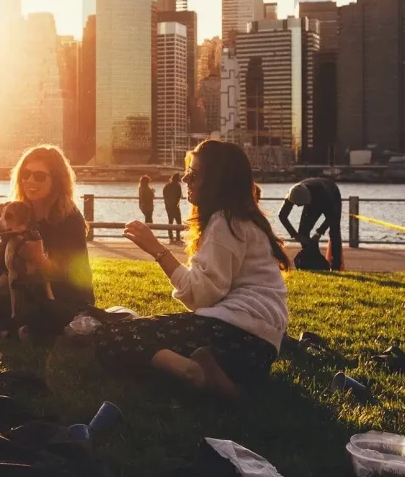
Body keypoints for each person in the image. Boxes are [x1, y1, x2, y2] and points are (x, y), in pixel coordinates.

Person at [94, 139, 289, 400]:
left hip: (233, 333)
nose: (185, 179)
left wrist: (156, 250)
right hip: (259, 348)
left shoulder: (224, 222)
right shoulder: (243, 220)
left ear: (217, 181)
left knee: (111, 337)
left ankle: (192, 372)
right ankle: (224, 381)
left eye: (194, 174)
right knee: (145, 335)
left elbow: (200, 295)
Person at [0, 145, 94, 339]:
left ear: (56, 180)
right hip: (17, 297)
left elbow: (73, 279)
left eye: (39, 176)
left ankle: (1, 326)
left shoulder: (69, 219)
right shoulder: (16, 212)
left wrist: (40, 260)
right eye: (26, 173)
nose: (30, 180)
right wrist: (3, 244)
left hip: (59, 300)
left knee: (48, 312)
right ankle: (14, 328)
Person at [279, 177, 343, 270]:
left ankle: (336, 266)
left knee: (334, 230)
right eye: (296, 204)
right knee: (303, 231)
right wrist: (295, 234)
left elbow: (332, 216)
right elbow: (282, 216)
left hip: (331, 193)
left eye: (300, 204)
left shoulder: (323, 195)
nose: (298, 206)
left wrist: (319, 233)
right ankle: (310, 260)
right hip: (312, 196)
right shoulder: (292, 193)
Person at [162, 172, 183, 244]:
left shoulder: (167, 186)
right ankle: (178, 237)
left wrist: (167, 203)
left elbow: (164, 195)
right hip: (175, 206)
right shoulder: (178, 186)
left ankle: (171, 238)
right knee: (178, 222)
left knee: (170, 222)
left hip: (168, 206)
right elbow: (179, 196)